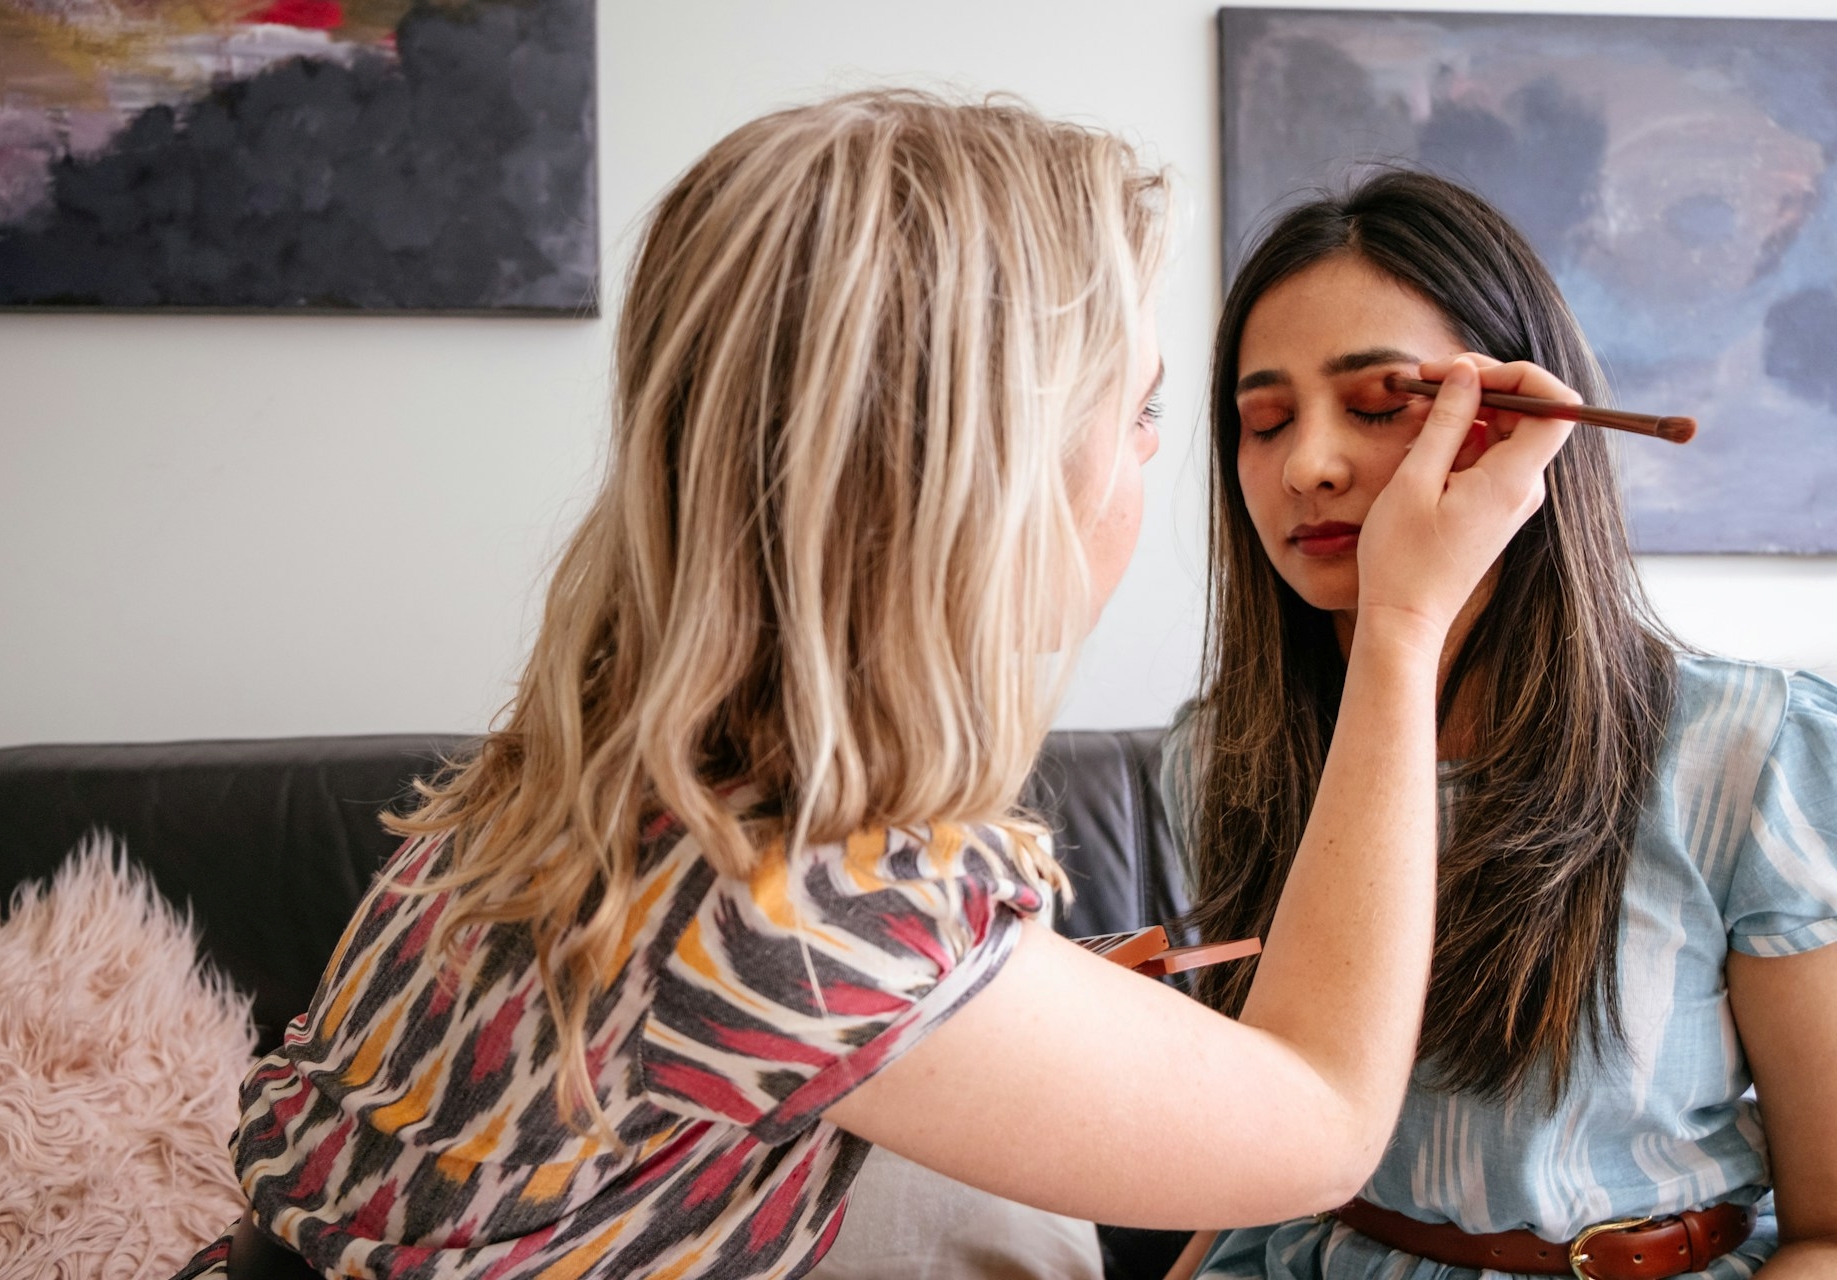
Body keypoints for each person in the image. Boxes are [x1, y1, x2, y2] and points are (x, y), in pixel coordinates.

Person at [171, 98, 1569, 1280]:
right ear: (989, 471)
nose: (1167, 457)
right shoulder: (799, 904)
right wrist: (1402, 626)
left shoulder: (610, 766)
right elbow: (1318, 1123)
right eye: (1143, 411)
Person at [1162, 170, 1837, 1280]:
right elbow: (1262, 1146)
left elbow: (1825, 1230)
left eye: (1378, 404)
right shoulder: (1222, 755)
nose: (1307, 465)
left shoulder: (1747, 750)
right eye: (1264, 422)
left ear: (1519, 429)